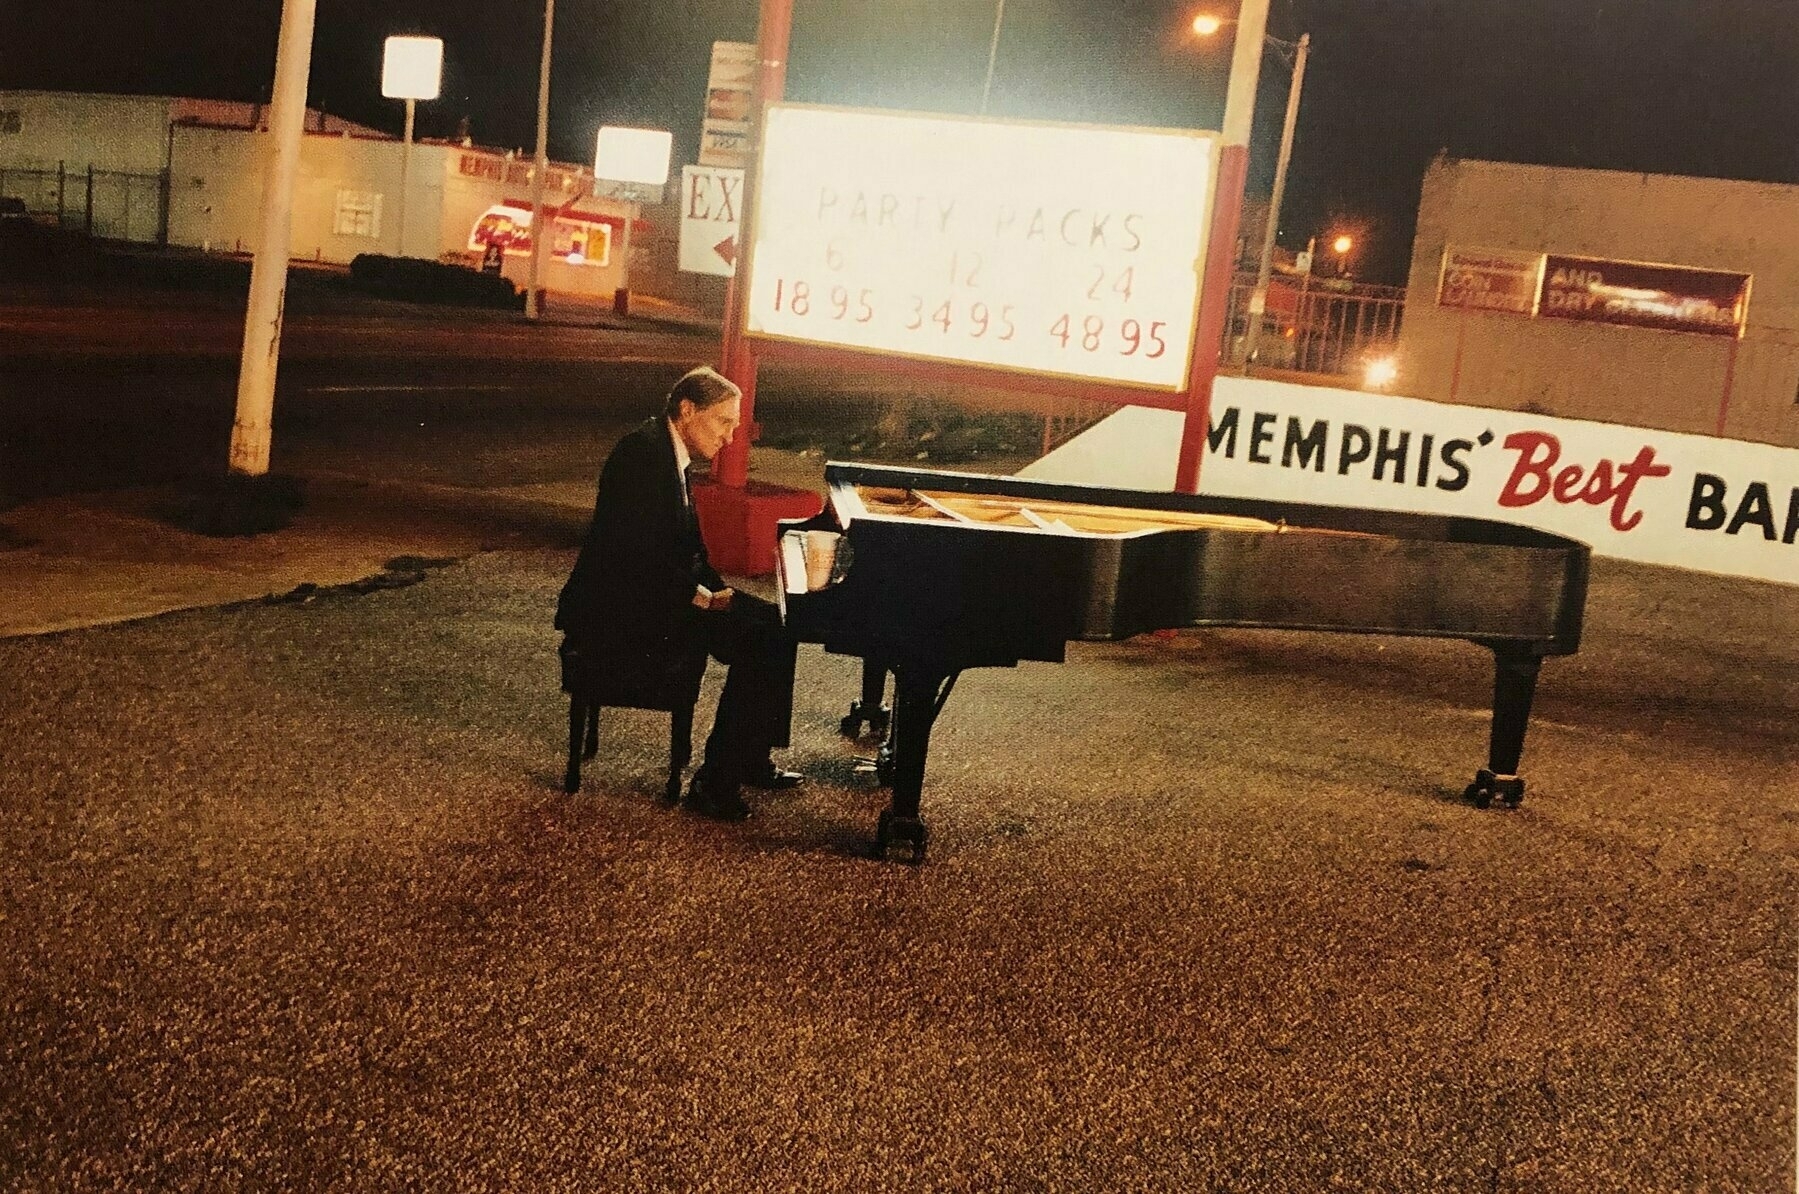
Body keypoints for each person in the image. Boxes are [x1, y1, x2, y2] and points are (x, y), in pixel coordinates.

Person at [554, 365, 802, 821]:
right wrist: (699, 598)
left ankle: (750, 756)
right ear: (687, 410)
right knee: (760, 641)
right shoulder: (640, 456)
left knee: (779, 624)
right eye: (723, 422)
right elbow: (632, 558)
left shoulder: (669, 453)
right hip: (622, 610)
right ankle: (714, 782)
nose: (730, 437)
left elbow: (687, 547)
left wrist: (720, 589)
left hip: (654, 593)